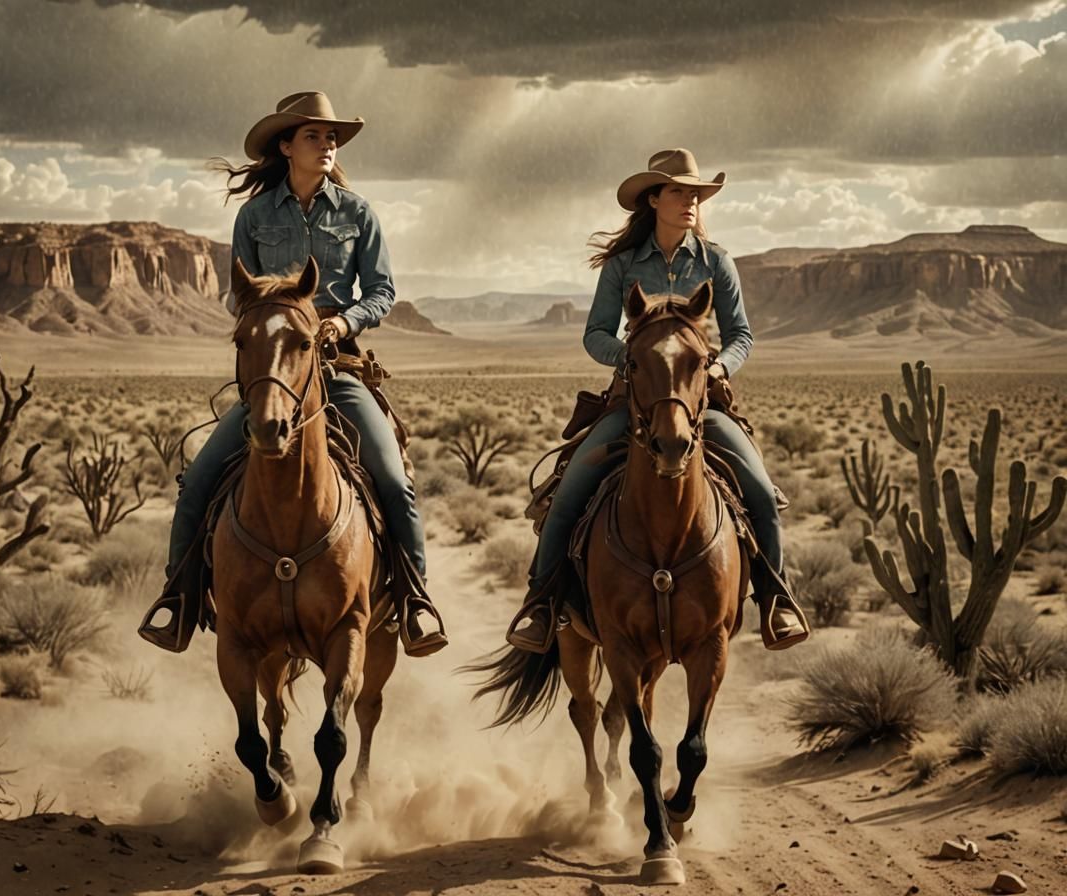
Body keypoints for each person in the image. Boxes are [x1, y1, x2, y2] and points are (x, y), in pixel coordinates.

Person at [139, 91, 444, 656]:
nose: (327, 144)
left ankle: (415, 602)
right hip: (277, 370)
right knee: (198, 482)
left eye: (332, 137)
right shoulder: (254, 217)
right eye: (314, 135)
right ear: (286, 146)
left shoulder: (358, 214)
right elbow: (241, 297)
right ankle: (178, 600)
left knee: (395, 482)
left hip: (338, 366)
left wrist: (342, 322)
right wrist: (275, 326)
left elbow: (382, 291)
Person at [507, 148, 809, 653]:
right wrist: (634, 356)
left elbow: (741, 336)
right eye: (678, 191)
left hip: (702, 404)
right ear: (654, 199)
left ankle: (776, 599)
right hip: (634, 404)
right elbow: (595, 333)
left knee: (758, 489)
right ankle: (541, 603)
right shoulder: (624, 266)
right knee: (569, 489)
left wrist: (716, 367)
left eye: (695, 193)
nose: (690, 201)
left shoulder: (717, 263)